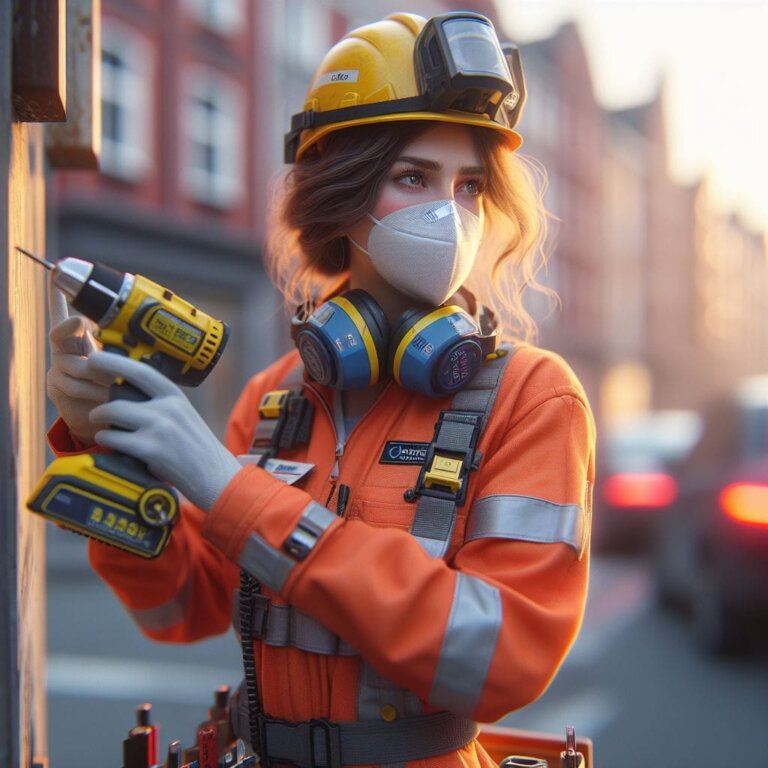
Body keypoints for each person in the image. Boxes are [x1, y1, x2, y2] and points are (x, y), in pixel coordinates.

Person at [46, 11, 595, 768]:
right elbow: (179, 607)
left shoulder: (535, 397)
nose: (451, 215)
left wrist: (233, 494)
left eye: (469, 186)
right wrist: (105, 447)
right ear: (341, 194)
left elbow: (503, 657)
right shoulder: (278, 397)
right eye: (413, 177)